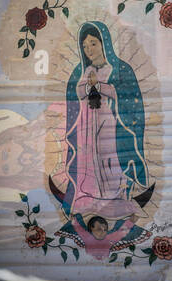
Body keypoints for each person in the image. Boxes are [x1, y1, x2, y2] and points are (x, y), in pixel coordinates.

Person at [50, 21, 153, 224]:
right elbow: (75, 94)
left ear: (104, 43)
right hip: (85, 126)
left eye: (93, 44)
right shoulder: (82, 71)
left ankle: (112, 200)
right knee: (88, 160)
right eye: (85, 46)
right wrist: (88, 87)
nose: (89, 50)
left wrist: (101, 86)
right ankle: (87, 199)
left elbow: (124, 96)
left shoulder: (119, 69)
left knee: (109, 161)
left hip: (110, 124)